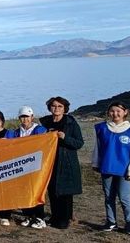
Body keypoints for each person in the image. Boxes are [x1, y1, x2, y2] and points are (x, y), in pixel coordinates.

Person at [92, 101, 130, 235]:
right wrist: (96, 163)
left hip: (124, 171)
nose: (115, 113)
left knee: (124, 197)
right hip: (107, 167)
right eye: (112, 111)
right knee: (108, 197)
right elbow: (97, 148)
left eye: (118, 111)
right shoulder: (102, 129)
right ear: (109, 112)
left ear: (125, 112)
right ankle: (111, 221)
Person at [39, 96, 83, 230]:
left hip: (66, 161)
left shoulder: (71, 123)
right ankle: (54, 216)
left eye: (60, 106)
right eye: (54, 106)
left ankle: (66, 218)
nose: (56, 108)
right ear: (49, 108)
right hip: (49, 161)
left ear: (65, 108)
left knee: (65, 191)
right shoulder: (45, 123)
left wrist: (65, 138)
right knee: (52, 190)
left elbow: (79, 143)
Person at [13, 106, 48, 229]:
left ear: (32, 117)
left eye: (27, 117)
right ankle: (28, 215)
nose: (25, 119)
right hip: (21, 166)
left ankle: (39, 218)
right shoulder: (17, 132)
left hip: (36, 166)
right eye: (22, 117)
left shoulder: (39, 130)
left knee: (36, 190)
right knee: (23, 191)